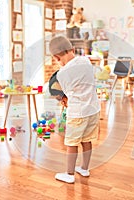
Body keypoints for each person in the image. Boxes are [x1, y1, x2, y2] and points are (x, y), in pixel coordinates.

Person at [48, 35, 100, 183]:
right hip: (93, 110)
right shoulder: (86, 61)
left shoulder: (62, 73)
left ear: (56, 57)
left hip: (77, 112)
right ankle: (84, 168)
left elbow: (62, 93)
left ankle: (69, 174)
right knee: (87, 140)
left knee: (71, 143)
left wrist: (62, 99)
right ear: (72, 49)